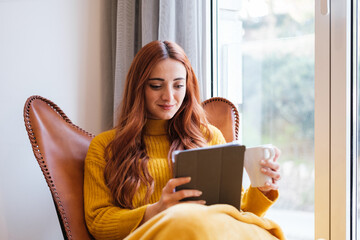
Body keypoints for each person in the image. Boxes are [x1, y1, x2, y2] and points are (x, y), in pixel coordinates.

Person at [84, 40, 284, 240]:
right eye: (156, 85)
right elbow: (98, 222)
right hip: (163, 233)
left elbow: (236, 212)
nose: (169, 97)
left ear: (187, 87)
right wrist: (157, 210)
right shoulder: (105, 147)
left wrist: (261, 189)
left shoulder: (209, 136)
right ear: (138, 88)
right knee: (186, 220)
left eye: (178, 85)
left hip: (212, 233)